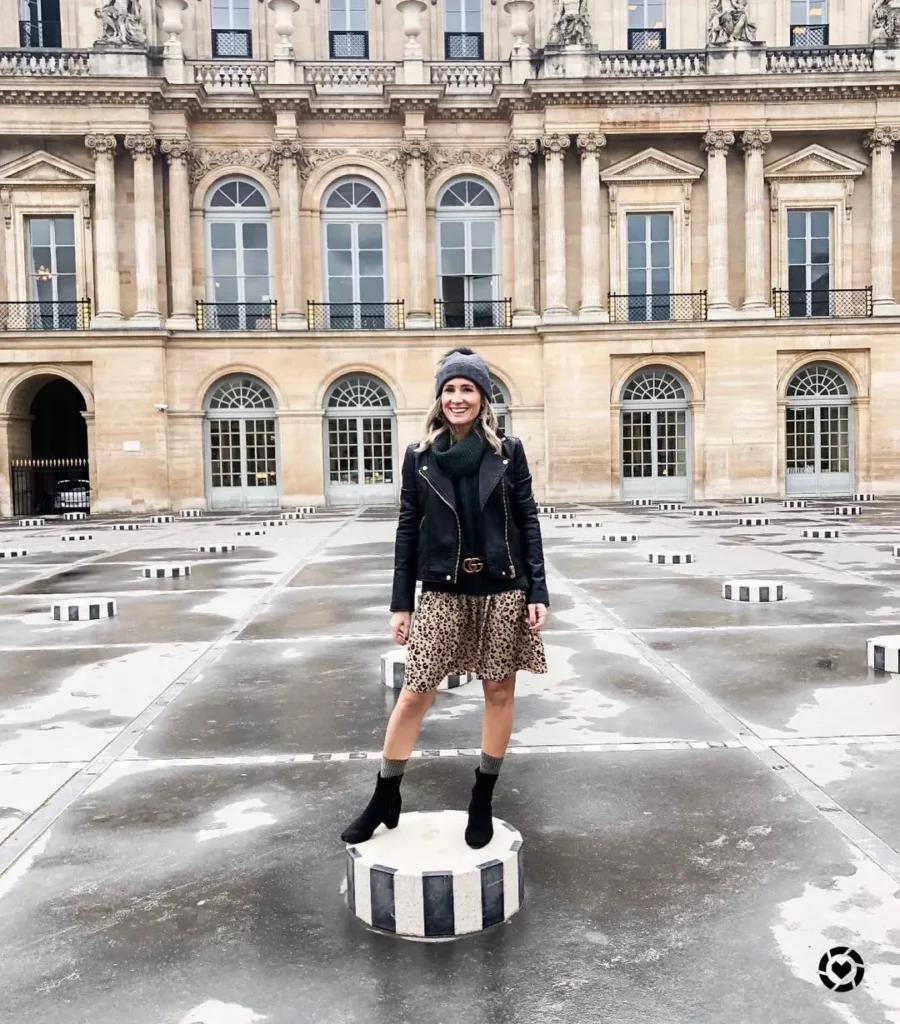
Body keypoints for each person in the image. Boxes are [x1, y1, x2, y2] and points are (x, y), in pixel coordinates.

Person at [340, 346, 549, 849]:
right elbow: (407, 530)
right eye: (450, 389)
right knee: (416, 693)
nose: (458, 398)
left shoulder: (508, 451)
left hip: (502, 588)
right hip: (442, 590)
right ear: (439, 398)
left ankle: (482, 796)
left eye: (467, 388)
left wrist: (536, 589)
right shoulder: (420, 457)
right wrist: (401, 602)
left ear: (483, 397)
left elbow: (527, 521)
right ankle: (385, 794)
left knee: (498, 692)